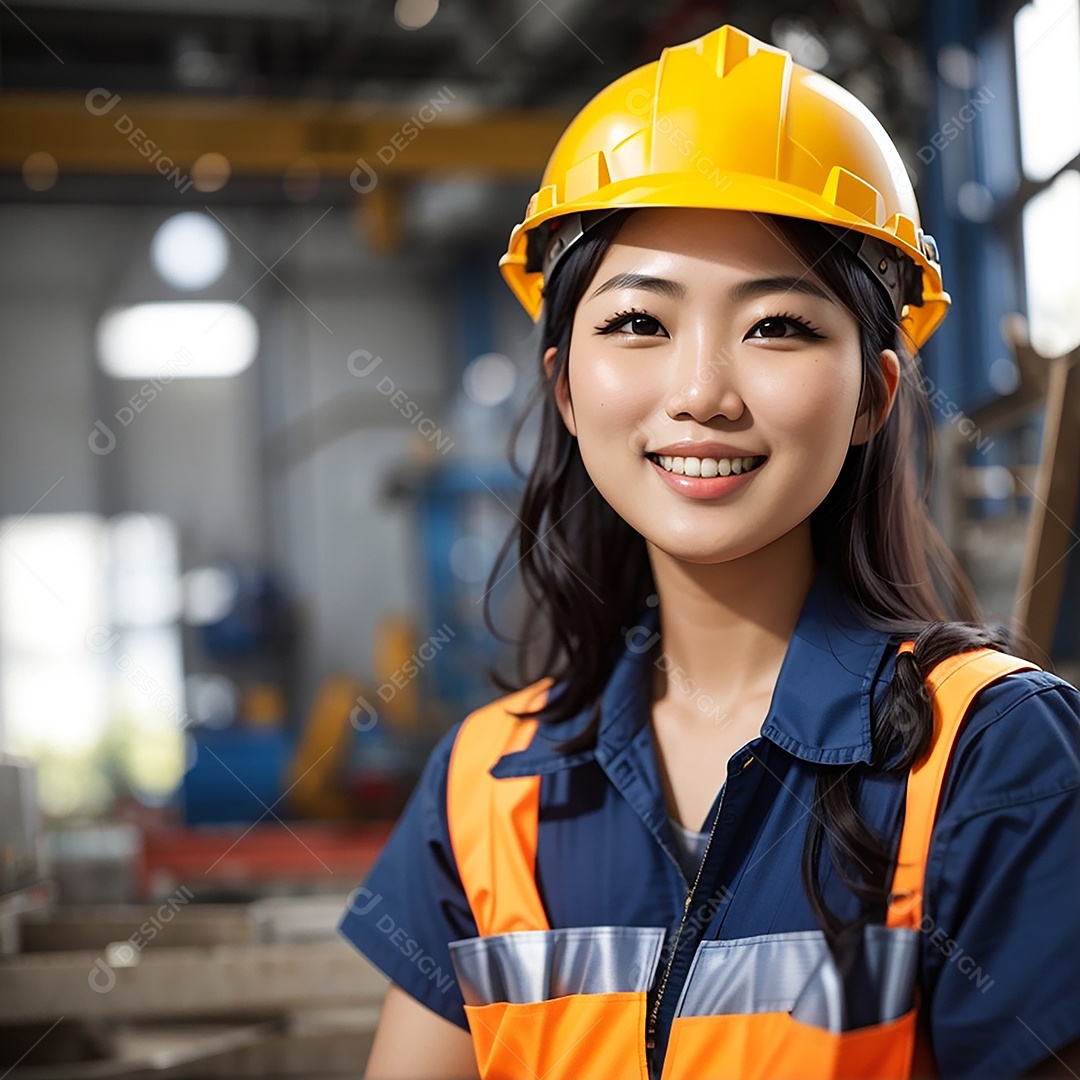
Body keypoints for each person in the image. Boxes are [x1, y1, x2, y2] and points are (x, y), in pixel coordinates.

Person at [339, 23, 1080, 1080]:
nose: (701, 393)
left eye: (777, 326)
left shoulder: (987, 758)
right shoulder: (485, 787)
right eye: (640, 322)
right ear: (565, 386)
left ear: (872, 395)